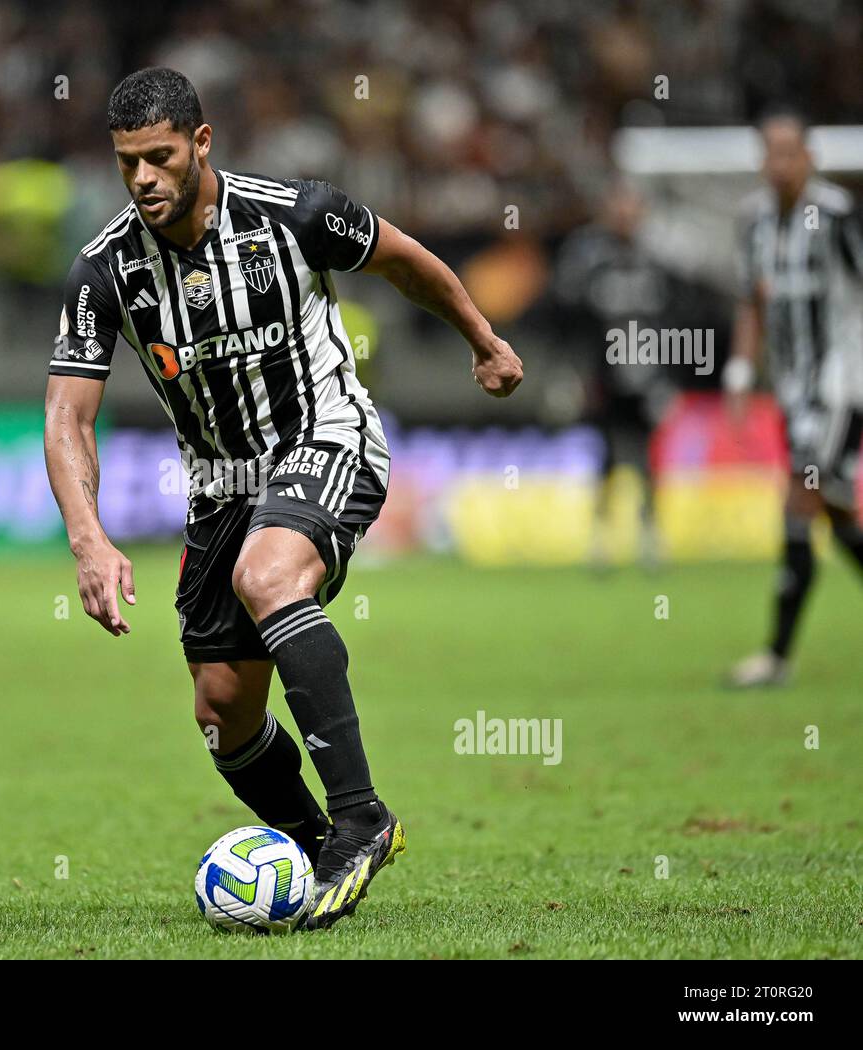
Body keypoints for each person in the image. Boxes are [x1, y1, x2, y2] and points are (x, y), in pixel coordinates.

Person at [43, 68, 522, 929]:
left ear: (201, 142)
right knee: (223, 711)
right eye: (126, 164)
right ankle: (311, 855)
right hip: (220, 487)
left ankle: (362, 817)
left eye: (158, 157)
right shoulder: (106, 269)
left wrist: (482, 340)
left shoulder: (294, 214)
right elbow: (67, 414)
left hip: (327, 438)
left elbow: (405, 262)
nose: (144, 178)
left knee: (269, 578)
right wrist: (89, 537)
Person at [725, 109, 863, 688]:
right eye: (771, 152)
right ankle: (777, 657)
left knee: (800, 495)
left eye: (790, 152)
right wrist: (739, 366)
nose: (780, 163)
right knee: (831, 505)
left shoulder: (836, 217)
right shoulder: (754, 223)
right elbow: (751, 301)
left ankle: (776, 656)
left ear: (808, 157)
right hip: (791, 387)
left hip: (840, 381)